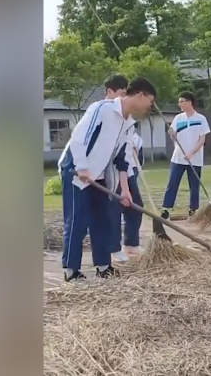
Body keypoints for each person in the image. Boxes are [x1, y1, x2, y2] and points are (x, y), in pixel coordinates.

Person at [58, 77, 156, 281]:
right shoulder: (102, 109)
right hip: (76, 172)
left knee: (103, 221)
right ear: (140, 95)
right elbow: (79, 138)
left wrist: (125, 190)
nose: (150, 106)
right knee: (77, 221)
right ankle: (71, 271)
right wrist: (82, 168)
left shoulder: (129, 124)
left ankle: (103, 266)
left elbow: (121, 159)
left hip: (100, 176)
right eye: (150, 101)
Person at [161, 91, 211, 219]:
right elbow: (174, 137)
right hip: (178, 157)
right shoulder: (178, 118)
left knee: (194, 185)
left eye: (182, 101)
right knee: (172, 183)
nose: (180, 104)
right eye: (179, 102)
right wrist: (172, 135)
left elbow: (202, 140)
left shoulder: (201, 119)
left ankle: (193, 209)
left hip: (195, 159)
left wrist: (191, 153)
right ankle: (166, 208)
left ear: (189, 102)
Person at [109, 121, 145, 263]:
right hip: (112, 173)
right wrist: (124, 188)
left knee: (136, 207)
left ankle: (131, 244)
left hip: (128, 173)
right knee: (115, 211)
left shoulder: (131, 132)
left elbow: (129, 157)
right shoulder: (115, 128)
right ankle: (114, 249)